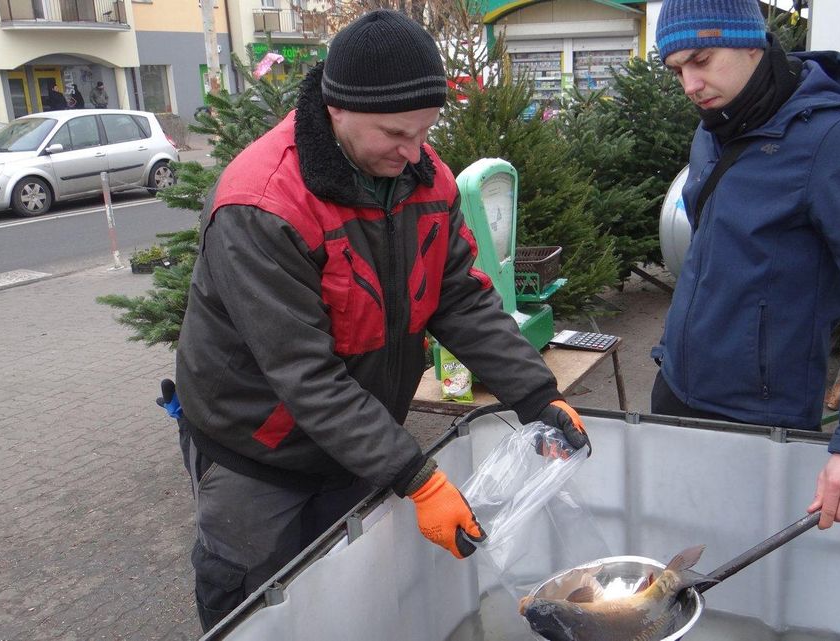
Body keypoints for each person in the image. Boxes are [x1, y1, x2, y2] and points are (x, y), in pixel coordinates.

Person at [171, 9, 589, 631]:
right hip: (256, 451)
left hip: (353, 445)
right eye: (397, 133)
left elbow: (459, 297)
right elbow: (303, 373)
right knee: (254, 609)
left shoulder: (424, 178)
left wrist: (536, 392)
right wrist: (414, 477)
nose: (415, 151)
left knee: (342, 600)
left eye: (425, 130)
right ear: (337, 109)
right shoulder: (262, 205)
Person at [651, 0, 840, 530]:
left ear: (752, 41)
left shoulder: (834, 141)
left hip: (759, 417)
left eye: (701, 59)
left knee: (741, 575)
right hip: (674, 387)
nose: (690, 84)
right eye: (677, 68)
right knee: (671, 548)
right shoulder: (711, 129)